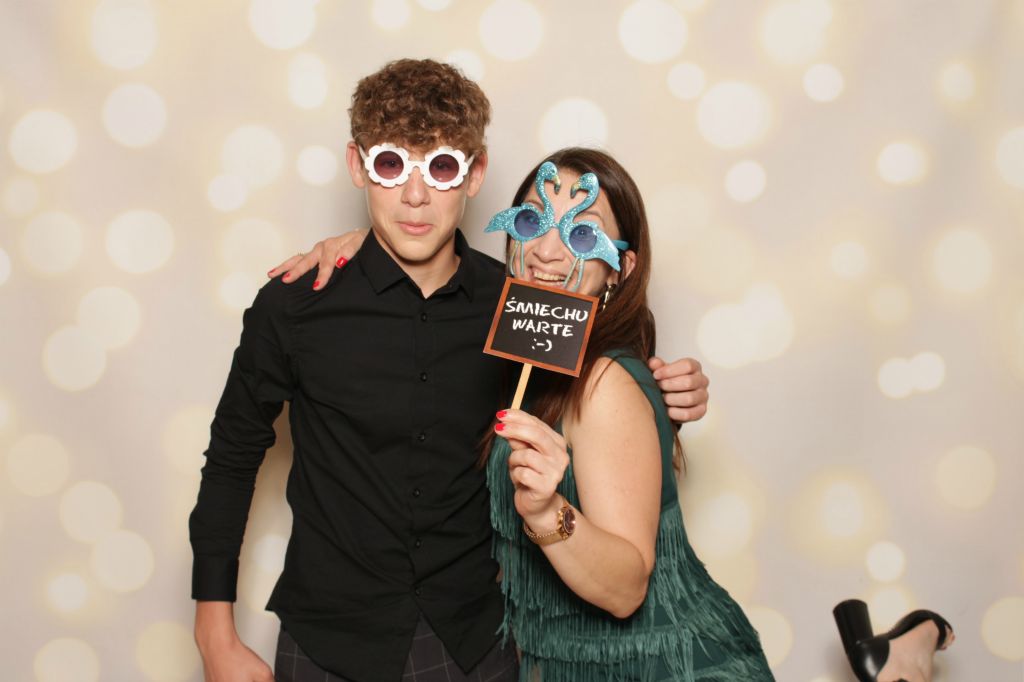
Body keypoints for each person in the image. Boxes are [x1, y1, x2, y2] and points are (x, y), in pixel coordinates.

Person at [190, 58, 709, 682]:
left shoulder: (519, 305)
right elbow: (231, 458)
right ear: (358, 166)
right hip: (329, 640)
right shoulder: (296, 303)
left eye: (440, 168)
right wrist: (214, 635)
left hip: (476, 641)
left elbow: (593, 391)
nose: (415, 196)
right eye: (391, 165)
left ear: (475, 174)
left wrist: (665, 393)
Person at [484, 148, 775, 680]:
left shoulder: (603, 383)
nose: (545, 251)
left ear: (621, 269)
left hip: (668, 667)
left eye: (581, 235)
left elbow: (626, 589)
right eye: (531, 221)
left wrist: (546, 512)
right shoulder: (525, 358)